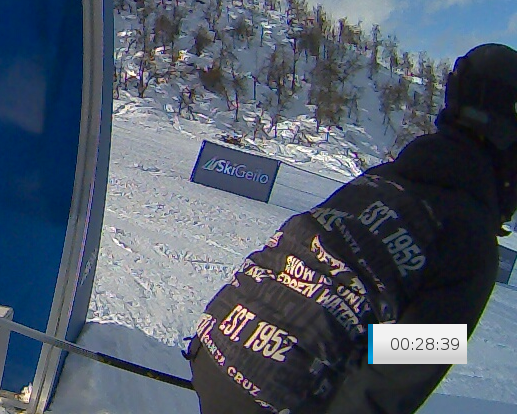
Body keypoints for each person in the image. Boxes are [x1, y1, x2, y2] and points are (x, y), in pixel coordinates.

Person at [186, 42, 517, 414]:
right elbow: (389, 383)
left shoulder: (382, 178)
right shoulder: (473, 246)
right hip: (275, 397)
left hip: (214, 345)